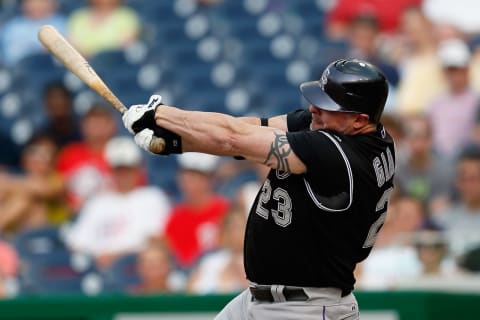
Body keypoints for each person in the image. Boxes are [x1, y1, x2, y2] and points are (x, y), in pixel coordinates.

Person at [122, 58, 395, 319]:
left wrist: (160, 114)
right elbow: (253, 128)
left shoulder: (339, 155)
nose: (314, 109)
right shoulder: (352, 130)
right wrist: (174, 141)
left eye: (327, 106)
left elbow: (234, 139)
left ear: (359, 120)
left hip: (305, 307)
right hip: (265, 297)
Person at [65, 136, 171, 269]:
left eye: (128, 169)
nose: (123, 175)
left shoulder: (153, 197)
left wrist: (115, 256)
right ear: (111, 171)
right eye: (119, 170)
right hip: (97, 269)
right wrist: (99, 256)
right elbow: (77, 242)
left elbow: (155, 240)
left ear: (138, 169)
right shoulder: (97, 202)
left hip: (136, 268)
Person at [164, 152, 229, 270]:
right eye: (186, 176)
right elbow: (171, 254)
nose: (189, 182)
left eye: (197, 177)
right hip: (182, 276)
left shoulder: (225, 210)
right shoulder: (176, 215)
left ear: (210, 180)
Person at [0, 135, 68, 235]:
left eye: (46, 154)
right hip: (17, 233)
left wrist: (9, 184)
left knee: (26, 200)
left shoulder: (57, 180)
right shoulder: (17, 179)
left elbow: (45, 190)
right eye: (34, 153)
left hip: (53, 233)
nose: (39, 159)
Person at [56, 103, 117, 211]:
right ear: (83, 126)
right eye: (92, 123)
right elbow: (57, 190)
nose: (96, 127)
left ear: (112, 125)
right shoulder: (69, 153)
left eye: (100, 122)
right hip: (74, 215)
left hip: (112, 214)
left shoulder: (122, 153)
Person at [425, 38, 480, 160]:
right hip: (437, 158)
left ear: (467, 70)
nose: (455, 75)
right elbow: (429, 133)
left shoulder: (476, 100)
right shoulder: (436, 102)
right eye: (451, 70)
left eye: (458, 70)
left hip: (466, 158)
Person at [187, 206, 249, 294]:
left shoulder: (261, 261)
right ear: (225, 232)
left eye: (243, 226)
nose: (240, 232)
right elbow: (194, 292)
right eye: (234, 227)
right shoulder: (211, 262)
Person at [0, 0, 66, 66]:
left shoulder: (61, 23)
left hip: (54, 70)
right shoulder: (13, 27)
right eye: (31, 1)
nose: (37, 5)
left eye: (42, 2)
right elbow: (10, 57)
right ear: (23, 4)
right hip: (21, 71)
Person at [67, 0, 141, 57]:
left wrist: (97, 56)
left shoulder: (126, 16)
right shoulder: (78, 17)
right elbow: (70, 44)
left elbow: (125, 45)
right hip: (80, 64)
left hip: (111, 65)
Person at [36, 81, 81, 148]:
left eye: (60, 100)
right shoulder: (41, 138)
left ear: (69, 103)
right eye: (53, 101)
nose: (57, 104)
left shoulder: (83, 133)